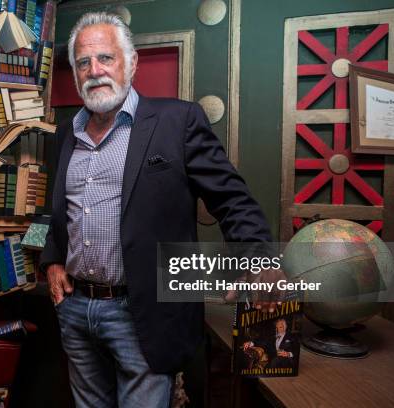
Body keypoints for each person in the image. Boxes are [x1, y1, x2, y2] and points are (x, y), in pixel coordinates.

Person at [40, 11, 274, 408]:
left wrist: (258, 260)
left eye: (106, 58)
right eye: (83, 62)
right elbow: (56, 212)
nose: (94, 70)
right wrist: (51, 260)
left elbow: (230, 198)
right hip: (76, 309)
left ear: (131, 64)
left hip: (143, 312)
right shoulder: (64, 135)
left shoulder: (177, 121)